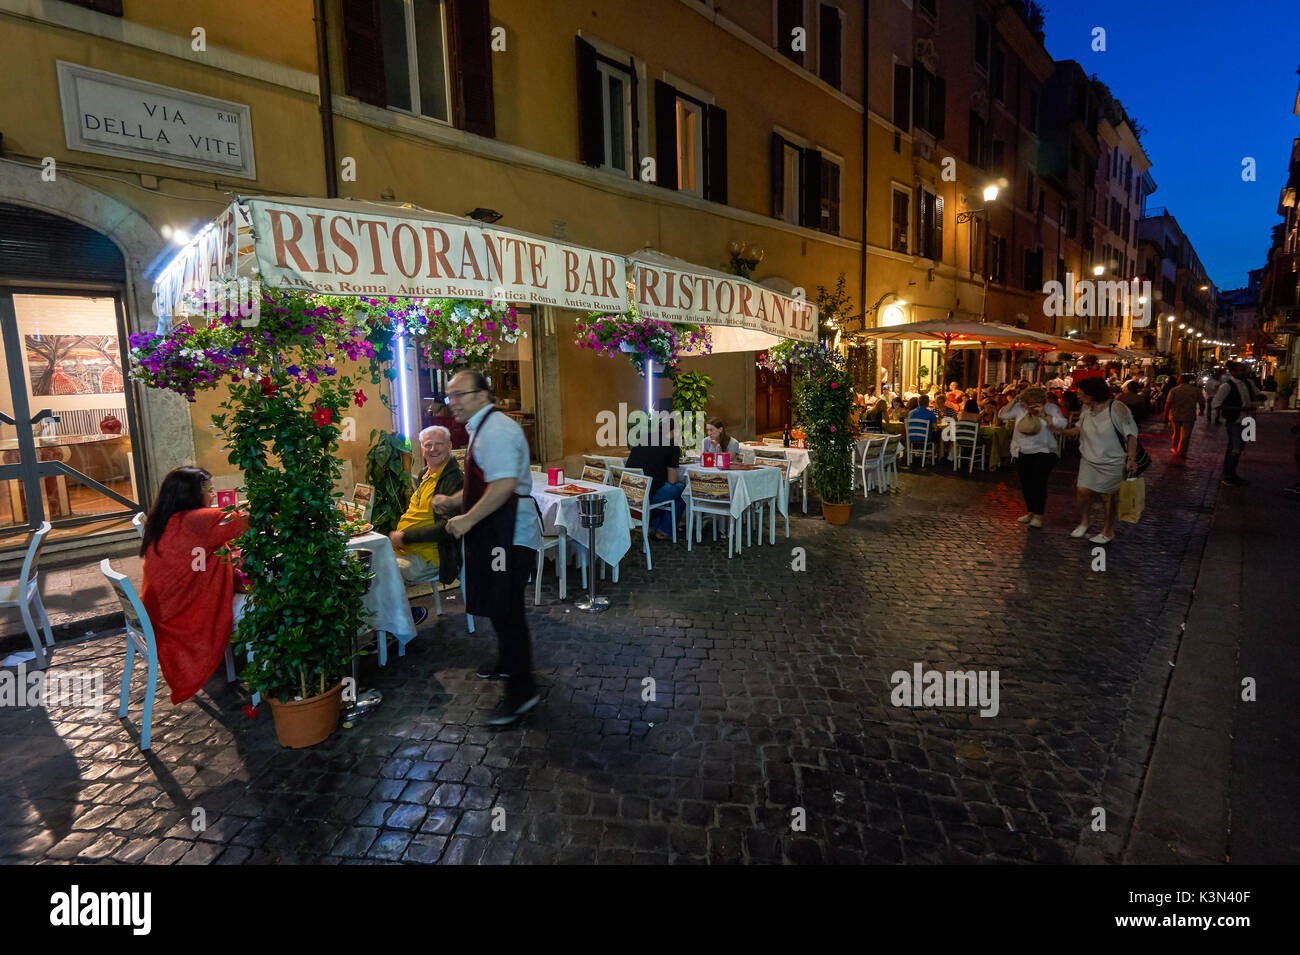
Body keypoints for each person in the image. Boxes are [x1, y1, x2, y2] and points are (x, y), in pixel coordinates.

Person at [437, 370, 541, 726]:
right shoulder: (483, 428)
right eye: (450, 396)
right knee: (500, 606)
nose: (453, 403)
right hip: (499, 529)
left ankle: (522, 692)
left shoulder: (495, 429)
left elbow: (504, 486)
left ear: (483, 394)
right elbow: (485, 484)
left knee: (508, 609)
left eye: (460, 395)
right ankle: (509, 664)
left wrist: (465, 520)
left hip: (510, 532)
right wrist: (454, 502)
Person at [139, 467, 249, 705]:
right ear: (191, 495)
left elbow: (200, 557)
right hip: (183, 618)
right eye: (209, 491)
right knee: (268, 604)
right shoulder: (197, 521)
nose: (213, 496)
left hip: (161, 613)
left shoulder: (165, 520)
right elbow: (247, 519)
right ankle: (275, 678)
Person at [389, 425, 464, 626]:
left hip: (434, 556)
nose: (433, 449)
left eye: (438, 444)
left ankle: (399, 623)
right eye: (427, 445)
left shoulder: (453, 479)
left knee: (383, 570)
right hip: (408, 550)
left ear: (450, 446)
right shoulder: (425, 473)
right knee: (368, 564)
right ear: (421, 448)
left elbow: (447, 528)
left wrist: (405, 537)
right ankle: (393, 620)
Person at [1061, 377, 1138, 544]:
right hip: (1088, 459)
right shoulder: (1086, 408)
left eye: (1081, 394)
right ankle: (1085, 522)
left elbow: (1131, 434)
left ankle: (1108, 531)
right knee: (1082, 491)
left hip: (1112, 461)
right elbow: (1078, 429)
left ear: (1093, 394)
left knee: (1108, 497)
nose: (1078, 397)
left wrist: (1131, 459)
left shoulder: (1117, 408)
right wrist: (1060, 430)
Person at [999, 386, 1067, 528]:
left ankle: (1038, 515)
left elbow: (1062, 423)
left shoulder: (1050, 409)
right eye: (1026, 402)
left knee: (1038, 482)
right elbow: (1002, 415)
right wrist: (1015, 400)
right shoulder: (1019, 408)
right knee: (1026, 483)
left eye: (1032, 402)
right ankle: (1030, 511)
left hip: (1044, 451)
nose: (1028, 405)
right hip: (1022, 450)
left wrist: (1042, 414)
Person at [626, 410, 684, 540]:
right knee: (684, 491)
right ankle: (662, 529)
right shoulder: (672, 446)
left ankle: (655, 526)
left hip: (629, 493)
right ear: (674, 431)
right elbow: (672, 480)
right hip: (646, 495)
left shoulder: (642, 438)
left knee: (662, 487)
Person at [1211, 361, 1259, 487]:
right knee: (1235, 448)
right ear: (1232, 372)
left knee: (1240, 448)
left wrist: (1260, 399)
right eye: (1240, 370)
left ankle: (1233, 474)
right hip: (1235, 420)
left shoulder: (1249, 383)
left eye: (1244, 369)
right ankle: (1228, 476)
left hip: (1249, 419)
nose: (1244, 372)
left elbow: (1257, 395)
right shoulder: (1226, 386)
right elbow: (1216, 404)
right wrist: (1238, 409)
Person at [1165, 373, 1205, 458]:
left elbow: (1168, 403)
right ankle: (1182, 451)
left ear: (1181, 380)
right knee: (1186, 435)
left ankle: (1175, 448)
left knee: (1176, 433)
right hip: (1189, 415)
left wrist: (1165, 415)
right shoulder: (1196, 390)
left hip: (1175, 414)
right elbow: (1202, 402)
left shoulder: (1174, 390)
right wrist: (1202, 411)